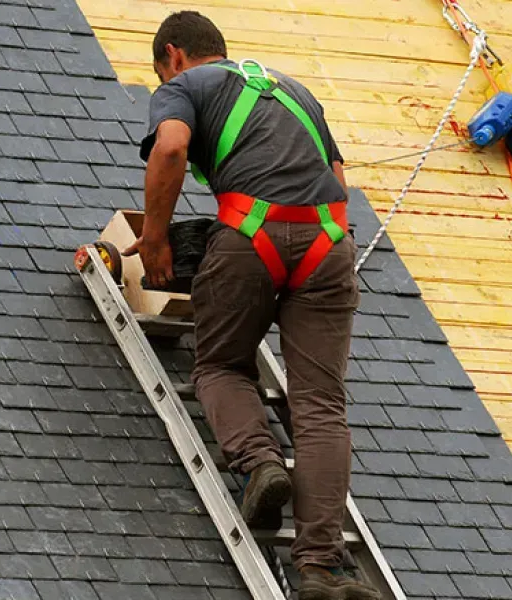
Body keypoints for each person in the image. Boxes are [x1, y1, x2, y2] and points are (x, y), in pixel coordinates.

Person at [123, 11, 381, 600]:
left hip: (251, 235)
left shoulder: (183, 88)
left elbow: (170, 148)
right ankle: (321, 565)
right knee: (320, 405)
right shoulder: (295, 90)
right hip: (328, 245)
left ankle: (258, 459)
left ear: (173, 55)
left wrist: (158, 237)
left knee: (218, 364)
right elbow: (336, 177)